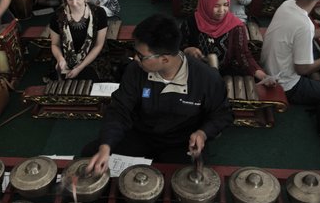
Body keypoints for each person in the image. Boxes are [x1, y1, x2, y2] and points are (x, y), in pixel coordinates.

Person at [83, 14, 233, 174]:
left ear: (165, 59)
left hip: (181, 142)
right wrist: (106, 146)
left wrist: (203, 133)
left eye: (141, 56)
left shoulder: (206, 78)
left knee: (188, 184)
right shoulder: (135, 70)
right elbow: (120, 109)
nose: (135, 59)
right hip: (141, 134)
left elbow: (222, 114)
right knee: (90, 156)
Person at [183, 0, 274, 85]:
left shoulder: (235, 27)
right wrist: (187, 49)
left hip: (224, 75)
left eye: (226, 5)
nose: (222, 10)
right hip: (195, 72)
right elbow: (177, 47)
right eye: (216, 5)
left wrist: (262, 75)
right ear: (206, 2)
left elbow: (243, 55)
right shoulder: (191, 22)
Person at [49, 0, 108, 80]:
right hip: (66, 58)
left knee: (88, 78)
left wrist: (79, 68)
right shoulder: (56, 16)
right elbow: (55, 45)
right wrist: (60, 59)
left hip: (91, 59)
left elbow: (98, 46)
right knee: (59, 80)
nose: (74, 3)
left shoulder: (99, 14)